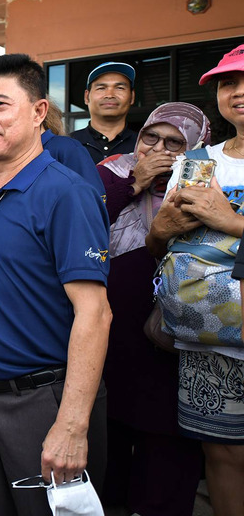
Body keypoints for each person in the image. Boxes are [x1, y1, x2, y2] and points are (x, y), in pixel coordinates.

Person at [0, 53, 111, 516]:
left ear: (39, 112)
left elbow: (95, 313)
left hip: (46, 401)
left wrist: (72, 425)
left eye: (0, 104)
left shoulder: (66, 193)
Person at [148, 43, 244, 516]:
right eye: (229, 83)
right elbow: (162, 246)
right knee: (223, 454)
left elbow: (224, 225)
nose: (238, 92)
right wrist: (160, 230)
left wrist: (232, 222)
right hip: (209, 335)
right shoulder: (198, 162)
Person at [97, 102, 208, 516]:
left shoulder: (204, 182)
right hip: (112, 331)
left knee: (164, 438)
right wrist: (134, 183)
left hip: (173, 335)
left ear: (194, 148)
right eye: (151, 137)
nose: (158, 149)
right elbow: (83, 225)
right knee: (109, 427)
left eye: (174, 143)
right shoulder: (109, 172)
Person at [71, 61, 138, 164]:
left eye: (119, 88)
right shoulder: (67, 144)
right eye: (101, 88)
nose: (110, 95)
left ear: (132, 97)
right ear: (86, 97)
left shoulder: (144, 146)